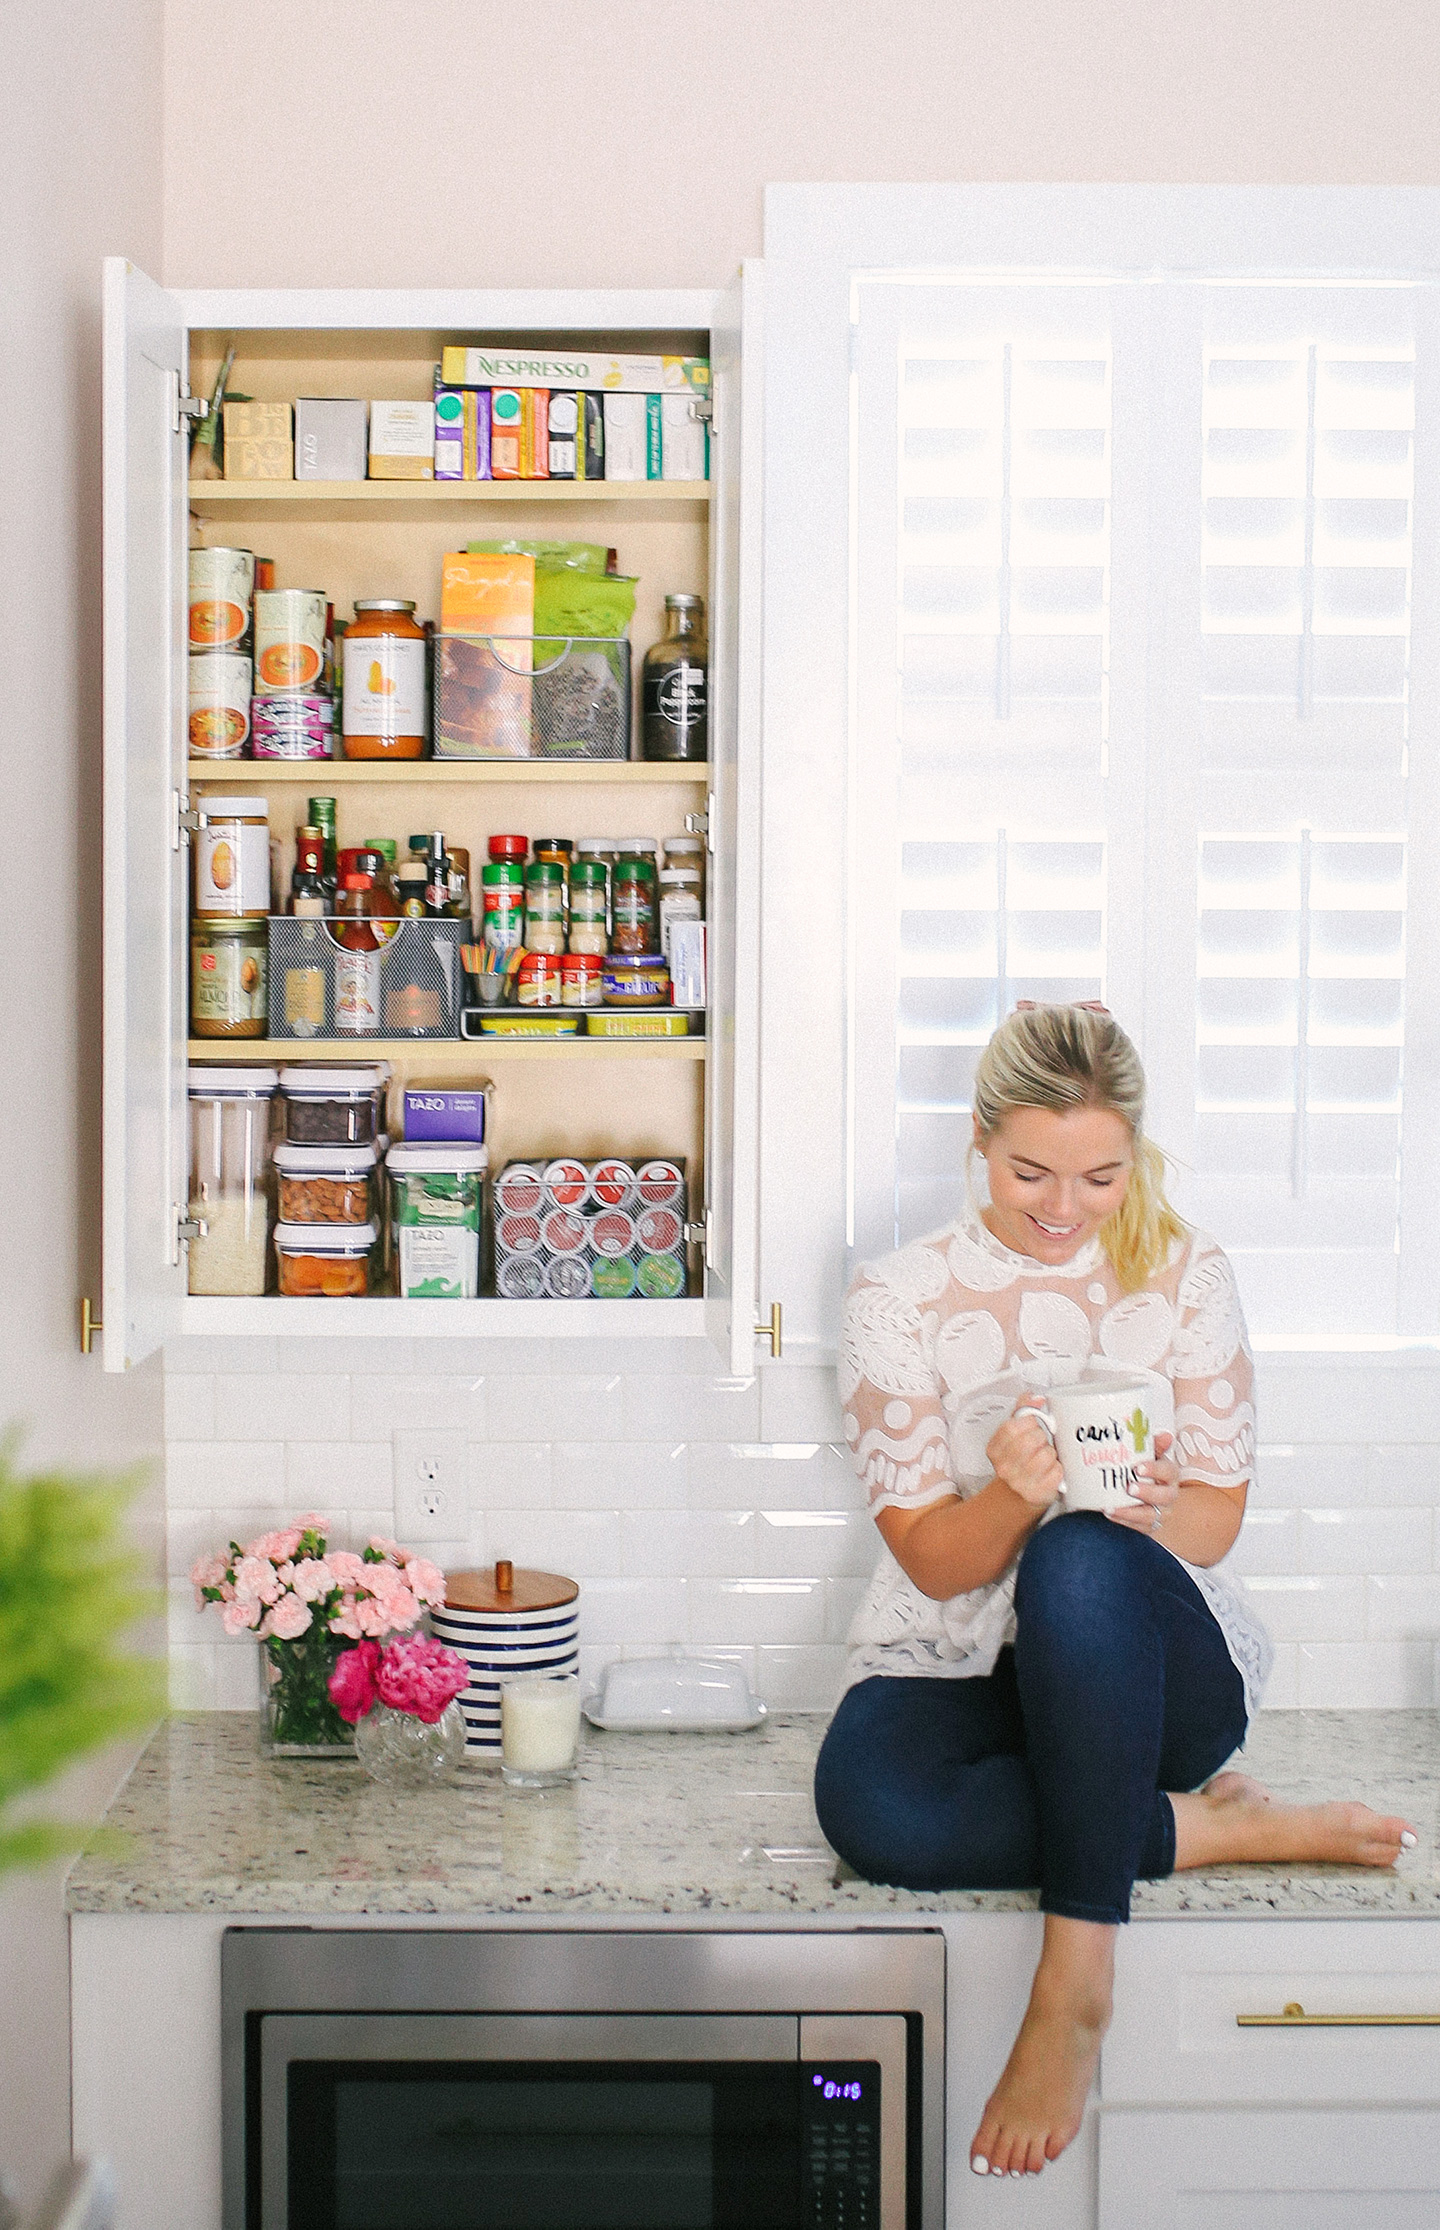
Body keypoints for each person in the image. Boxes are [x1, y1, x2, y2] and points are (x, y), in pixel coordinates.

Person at [813, 1002, 1417, 2181]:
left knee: (1079, 1556)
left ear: (1131, 1155)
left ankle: (1073, 1982)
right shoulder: (897, 1294)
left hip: (1148, 1665)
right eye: (1029, 1170)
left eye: (1097, 1176)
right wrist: (1011, 1495)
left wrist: (1130, 1508)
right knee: (869, 1805)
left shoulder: (1187, 1274)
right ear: (978, 1143)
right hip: (962, 1655)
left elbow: (1216, 1518)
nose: (1059, 1206)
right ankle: (1216, 1828)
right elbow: (933, 1559)